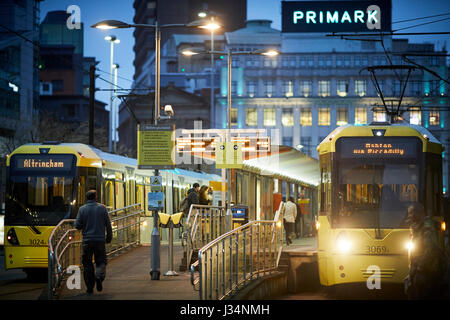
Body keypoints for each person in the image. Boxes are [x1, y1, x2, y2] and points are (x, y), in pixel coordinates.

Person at [404, 202, 449, 299]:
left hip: (427, 273)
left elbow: (430, 250)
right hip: (421, 271)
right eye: (409, 213)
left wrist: (419, 268)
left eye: (411, 213)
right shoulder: (417, 226)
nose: (409, 216)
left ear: (419, 213)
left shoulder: (426, 227)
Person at [75, 190, 112, 295]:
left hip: (87, 241)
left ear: (86, 198)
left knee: (87, 264)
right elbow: (108, 225)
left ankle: (89, 287)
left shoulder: (82, 209)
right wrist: (109, 237)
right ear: (96, 197)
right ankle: (99, 276)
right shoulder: (102, 208)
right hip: (100, 240)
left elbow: (77, 225)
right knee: (101, 261)